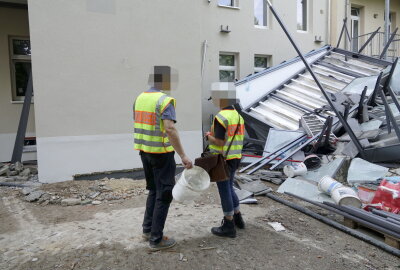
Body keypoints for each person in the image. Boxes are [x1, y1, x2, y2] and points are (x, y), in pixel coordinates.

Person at [134, 67, 193, 251]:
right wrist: (183, 155)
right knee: (164, 193)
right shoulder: (165, 101)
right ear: (165, 82)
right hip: (161, 154)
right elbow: (169, 129)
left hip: (145, 152)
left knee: (153, 190)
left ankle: (147, 230)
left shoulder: (139, 98)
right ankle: (156, 239)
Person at [205, 102, 245, 238]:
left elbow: (219, 142)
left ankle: (228, 225)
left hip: (223, 160)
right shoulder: (238, 116)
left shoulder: (221, 117)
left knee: (224, 190)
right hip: (235, 157)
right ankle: (238, 218)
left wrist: (208, 137)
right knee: (229, 187)